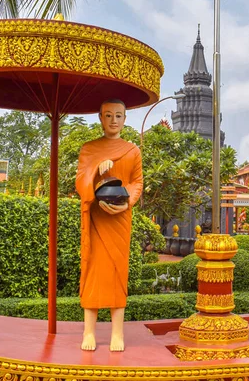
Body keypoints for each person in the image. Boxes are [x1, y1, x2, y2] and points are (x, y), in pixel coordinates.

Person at [75, 99, 143, 351]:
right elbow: (80, 180)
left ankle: (117, 333)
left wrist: (128, 203)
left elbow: (137, 182)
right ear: (100, 118)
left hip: (120, 218)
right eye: (108, 115)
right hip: (96, 217)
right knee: (92, 271)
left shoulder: (133, 151)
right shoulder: (89, 149)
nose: (113, 120)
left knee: (117, 273)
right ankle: (88, 332)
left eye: (118, 115)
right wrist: (95, 169)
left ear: (125, 118)